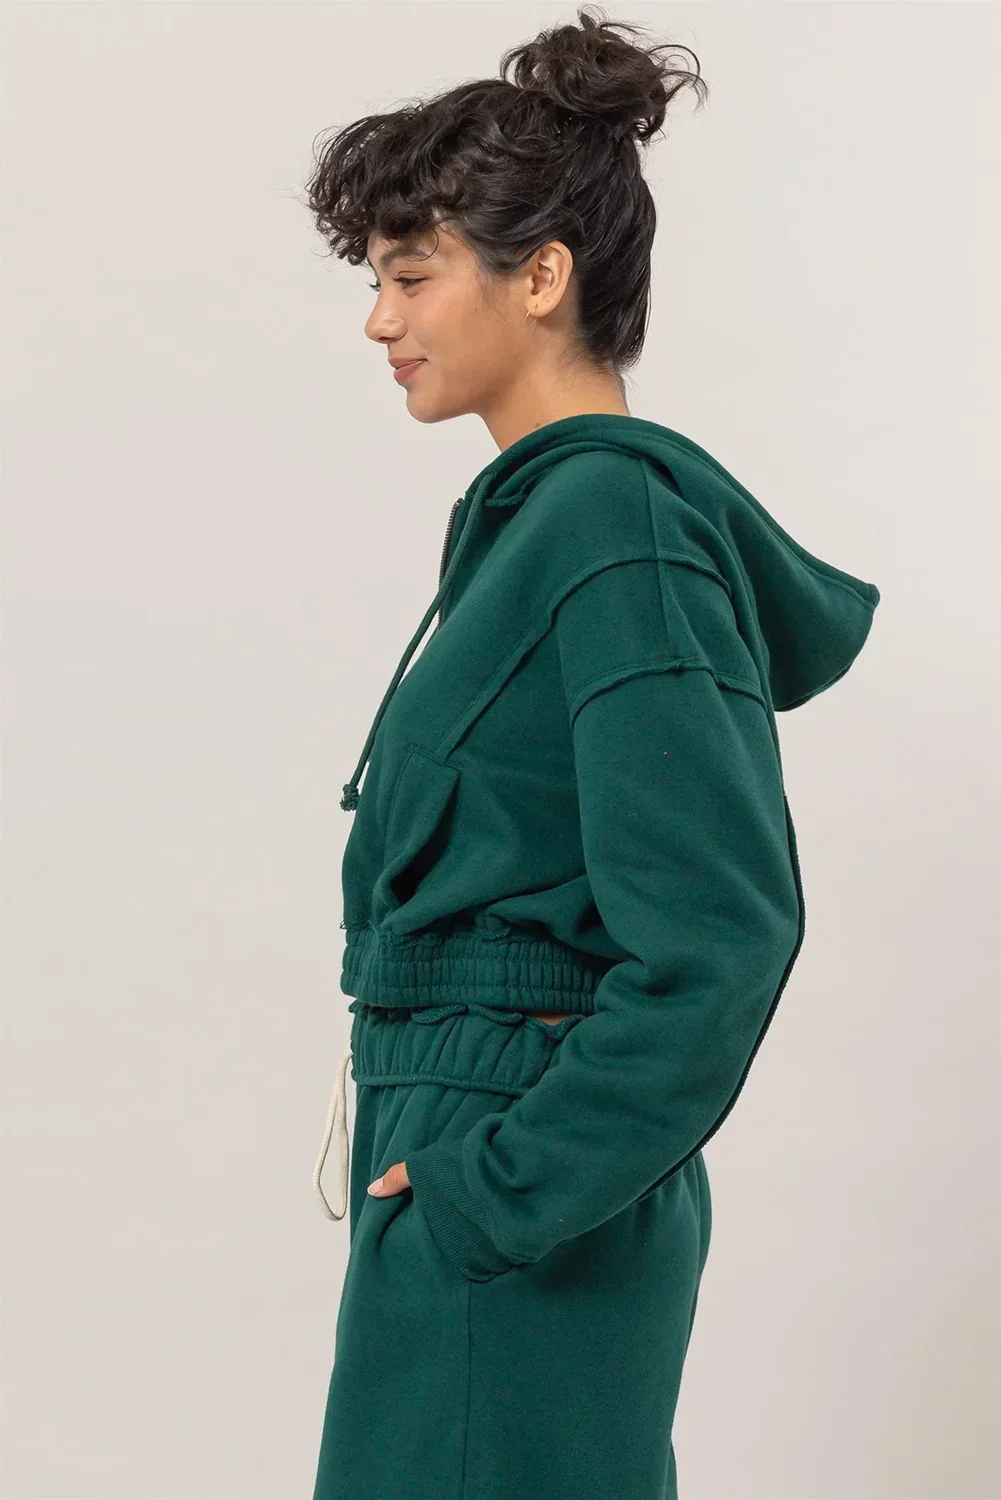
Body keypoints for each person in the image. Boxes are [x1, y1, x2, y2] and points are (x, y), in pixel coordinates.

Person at [303, 8, 880, 1498]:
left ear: (542, 275)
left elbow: (720, 935)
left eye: (412, 275)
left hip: (520, 1195)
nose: (381, 319)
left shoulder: (613, 530)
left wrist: (496, 1192)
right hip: (467, 1160)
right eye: (378, 281)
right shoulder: (535, 527)